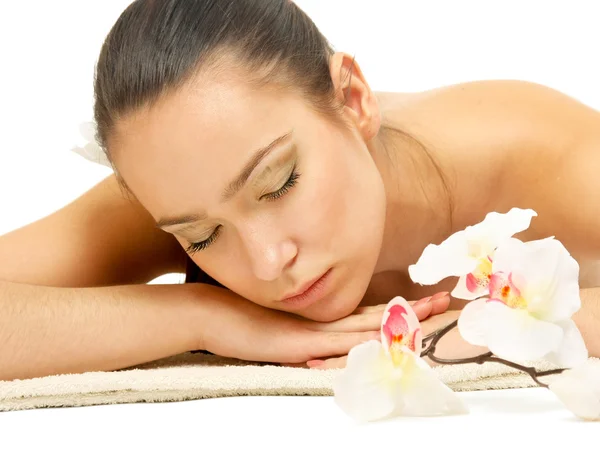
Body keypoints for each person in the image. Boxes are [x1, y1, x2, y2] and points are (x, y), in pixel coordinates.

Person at [1, 0, 598, 382]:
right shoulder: (182, 183)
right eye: (203, 238)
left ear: (354, 100)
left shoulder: (540, 155)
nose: (267, 263)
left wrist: (475, 327)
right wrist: (203, 315)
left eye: (279, 183)